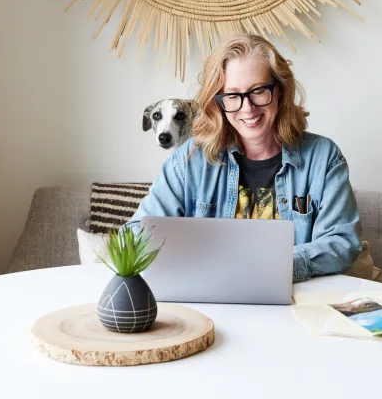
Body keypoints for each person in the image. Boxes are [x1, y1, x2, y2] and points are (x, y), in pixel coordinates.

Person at [129, 34, 362, 282]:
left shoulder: (323, 158)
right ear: (217, 102)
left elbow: (341, 242)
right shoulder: (189, 161)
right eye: (232, 95)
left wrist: (273, 266)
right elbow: (134, 236)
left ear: (280, 91)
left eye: (258, 91)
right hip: (211, 301)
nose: (247, 108)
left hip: (296, 304)